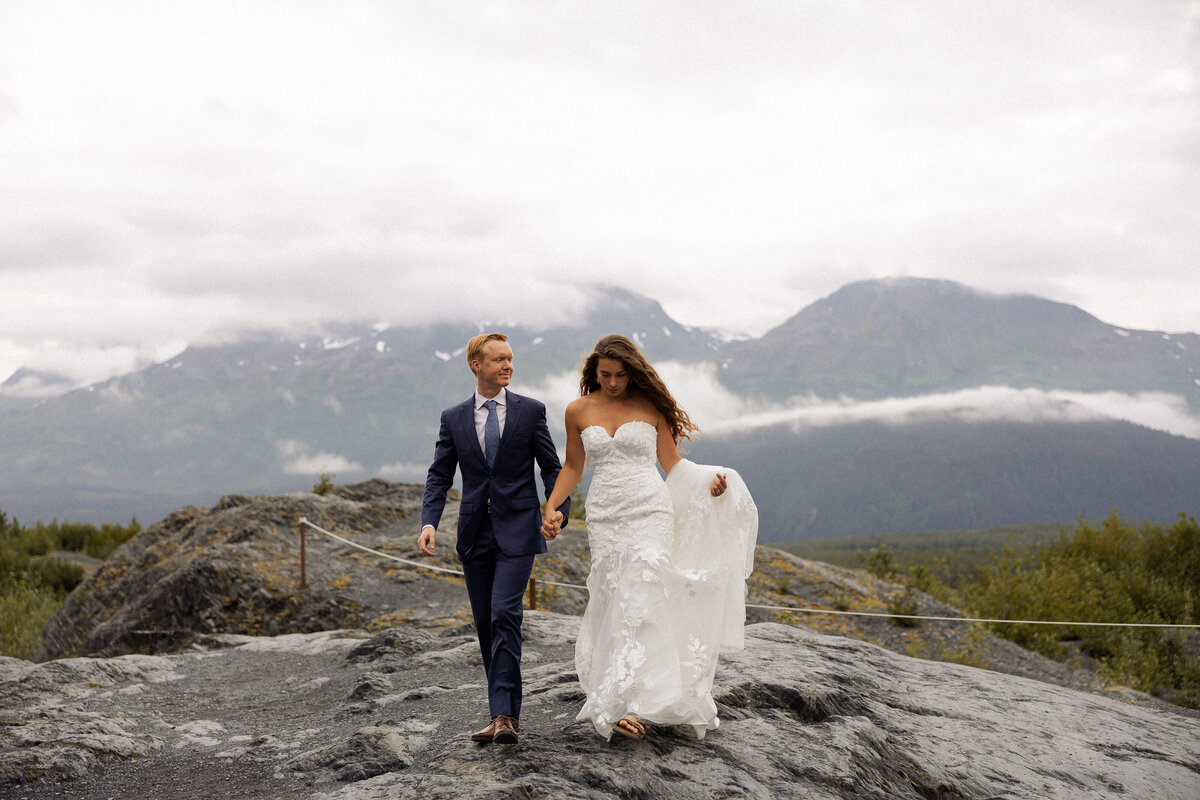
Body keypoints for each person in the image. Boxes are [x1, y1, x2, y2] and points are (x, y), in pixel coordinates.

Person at [541, 334, 758, 741]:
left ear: (633, 372)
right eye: (605, 374)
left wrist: (710, 483)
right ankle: (621, 692)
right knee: (613, 596)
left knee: (643, 593)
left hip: (650, 509)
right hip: (605, 516)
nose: (613, 382)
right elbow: (573, 465)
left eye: (621, 375)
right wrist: (551, 506)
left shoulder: (649, 406)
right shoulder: (577, 409)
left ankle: (637, 703)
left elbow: (672, 463)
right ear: (593, 371)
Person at [419, 332, 570, 746]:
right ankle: (499, 712)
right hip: (473, 535)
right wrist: (429, 521)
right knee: (487, 623)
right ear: (476, 365)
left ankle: (505, 717)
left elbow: (552, 469)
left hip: (519, 530)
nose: (508, 366)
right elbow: (439, 474)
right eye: (499, 360)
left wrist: (558, 511)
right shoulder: (453, 418)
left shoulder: (531, 411)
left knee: (505, 614)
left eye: (510, 359)